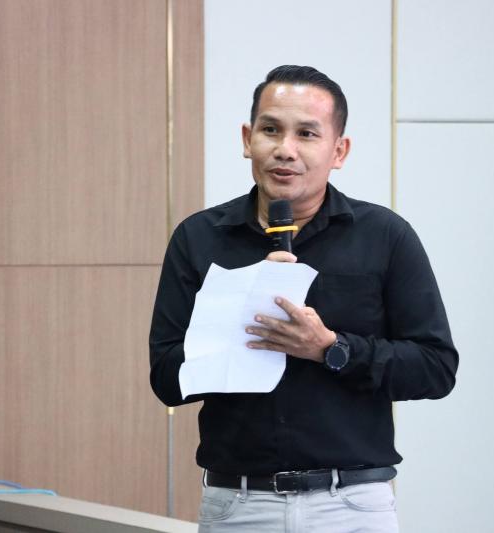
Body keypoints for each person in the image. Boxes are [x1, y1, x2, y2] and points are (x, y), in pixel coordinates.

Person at [149, 65, 458, 532]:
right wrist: (236, 321)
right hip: (239, 504)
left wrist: (330, 348)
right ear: (247, 139)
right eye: (271, 130)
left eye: (307, 134)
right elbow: (166, 379)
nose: (285, 149)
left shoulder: (385, 236)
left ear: (339, 151)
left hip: (351, 503)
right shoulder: (199, 238)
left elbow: (436, 368)